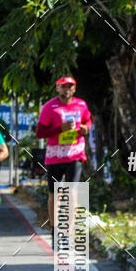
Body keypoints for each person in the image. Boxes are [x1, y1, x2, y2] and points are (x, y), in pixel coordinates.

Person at [36, 76, 92, 246]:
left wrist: (86, 128)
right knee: (55, 194)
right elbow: (40, 132)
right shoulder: (49, 107)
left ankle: (68, 233)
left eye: (70, 86)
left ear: (74, 89)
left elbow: (88, 120)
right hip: (54, 156)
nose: (66, 89)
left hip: (75, 153)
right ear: (57, 88)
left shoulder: (81, 105)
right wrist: (59, 129)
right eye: (63, 86)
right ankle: (54, 230)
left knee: (72, 192)